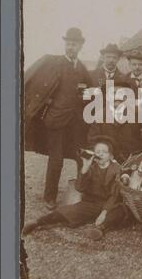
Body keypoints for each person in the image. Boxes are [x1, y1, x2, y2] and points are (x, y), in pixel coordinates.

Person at [24, 27, 92, 210]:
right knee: (56, 160)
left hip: (77, 123)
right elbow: (37, 83)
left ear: (80, 46)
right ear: (65, 44)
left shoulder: (82, 68)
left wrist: (86, 95)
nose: (71, 47)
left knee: (81, 158)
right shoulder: (54, 63)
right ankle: (49, 197)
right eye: (68, 44)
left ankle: (81, 193)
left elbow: (89, 91)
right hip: (56, 120)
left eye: (74, 44)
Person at [22, 136, 131, 241]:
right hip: (91, 204)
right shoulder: (91, 168)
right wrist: (85, 167)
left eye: (104, 152)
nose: (100, 154)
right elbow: (79, 187)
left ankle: (100, 229)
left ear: (111, 156)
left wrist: (104, 213)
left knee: (119, 212)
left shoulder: (117, 170)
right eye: (97, 152)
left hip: (110, 204)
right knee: (69, 211)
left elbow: (114, 196)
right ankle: (39, 222)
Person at [88, 79, 142, 162]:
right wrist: (102, 155)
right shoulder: (100, 115)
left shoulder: (136, 112)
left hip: (133, 161)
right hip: (109, 162)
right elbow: (92, 140)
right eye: (113, 93)